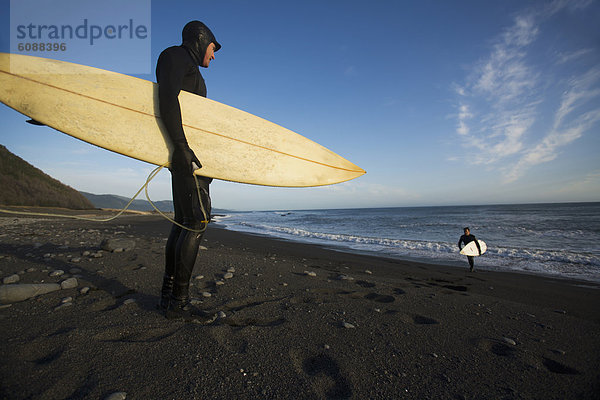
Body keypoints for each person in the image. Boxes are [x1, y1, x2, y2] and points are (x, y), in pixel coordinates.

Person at [155, 20, 221, 322]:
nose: (214, 54)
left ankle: (169, 296)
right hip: (186, 157)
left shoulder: (189, 68)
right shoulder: (175, 57)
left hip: (189, 156)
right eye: (212, 47)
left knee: (184, 221)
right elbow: (167, 99)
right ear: (199, 39)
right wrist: (181, 147)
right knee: (197, 221)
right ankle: (179, 303)